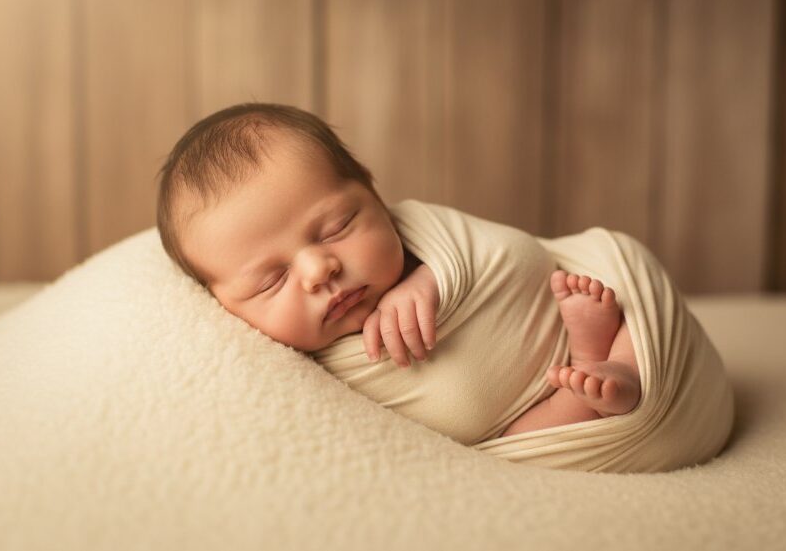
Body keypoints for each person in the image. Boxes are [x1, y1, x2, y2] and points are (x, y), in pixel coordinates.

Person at [156, 103, 640, 438]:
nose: (318, 270)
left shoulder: (424, 236)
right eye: (272, 280)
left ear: (372, 192)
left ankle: (617, 358)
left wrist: (427, 277)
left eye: (335, 227)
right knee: (512, 442)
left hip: (557, 311)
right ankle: (589, 382)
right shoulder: (288, 374)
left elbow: (519, 257)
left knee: (625, 265)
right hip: (528, 425)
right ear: (223, 306)